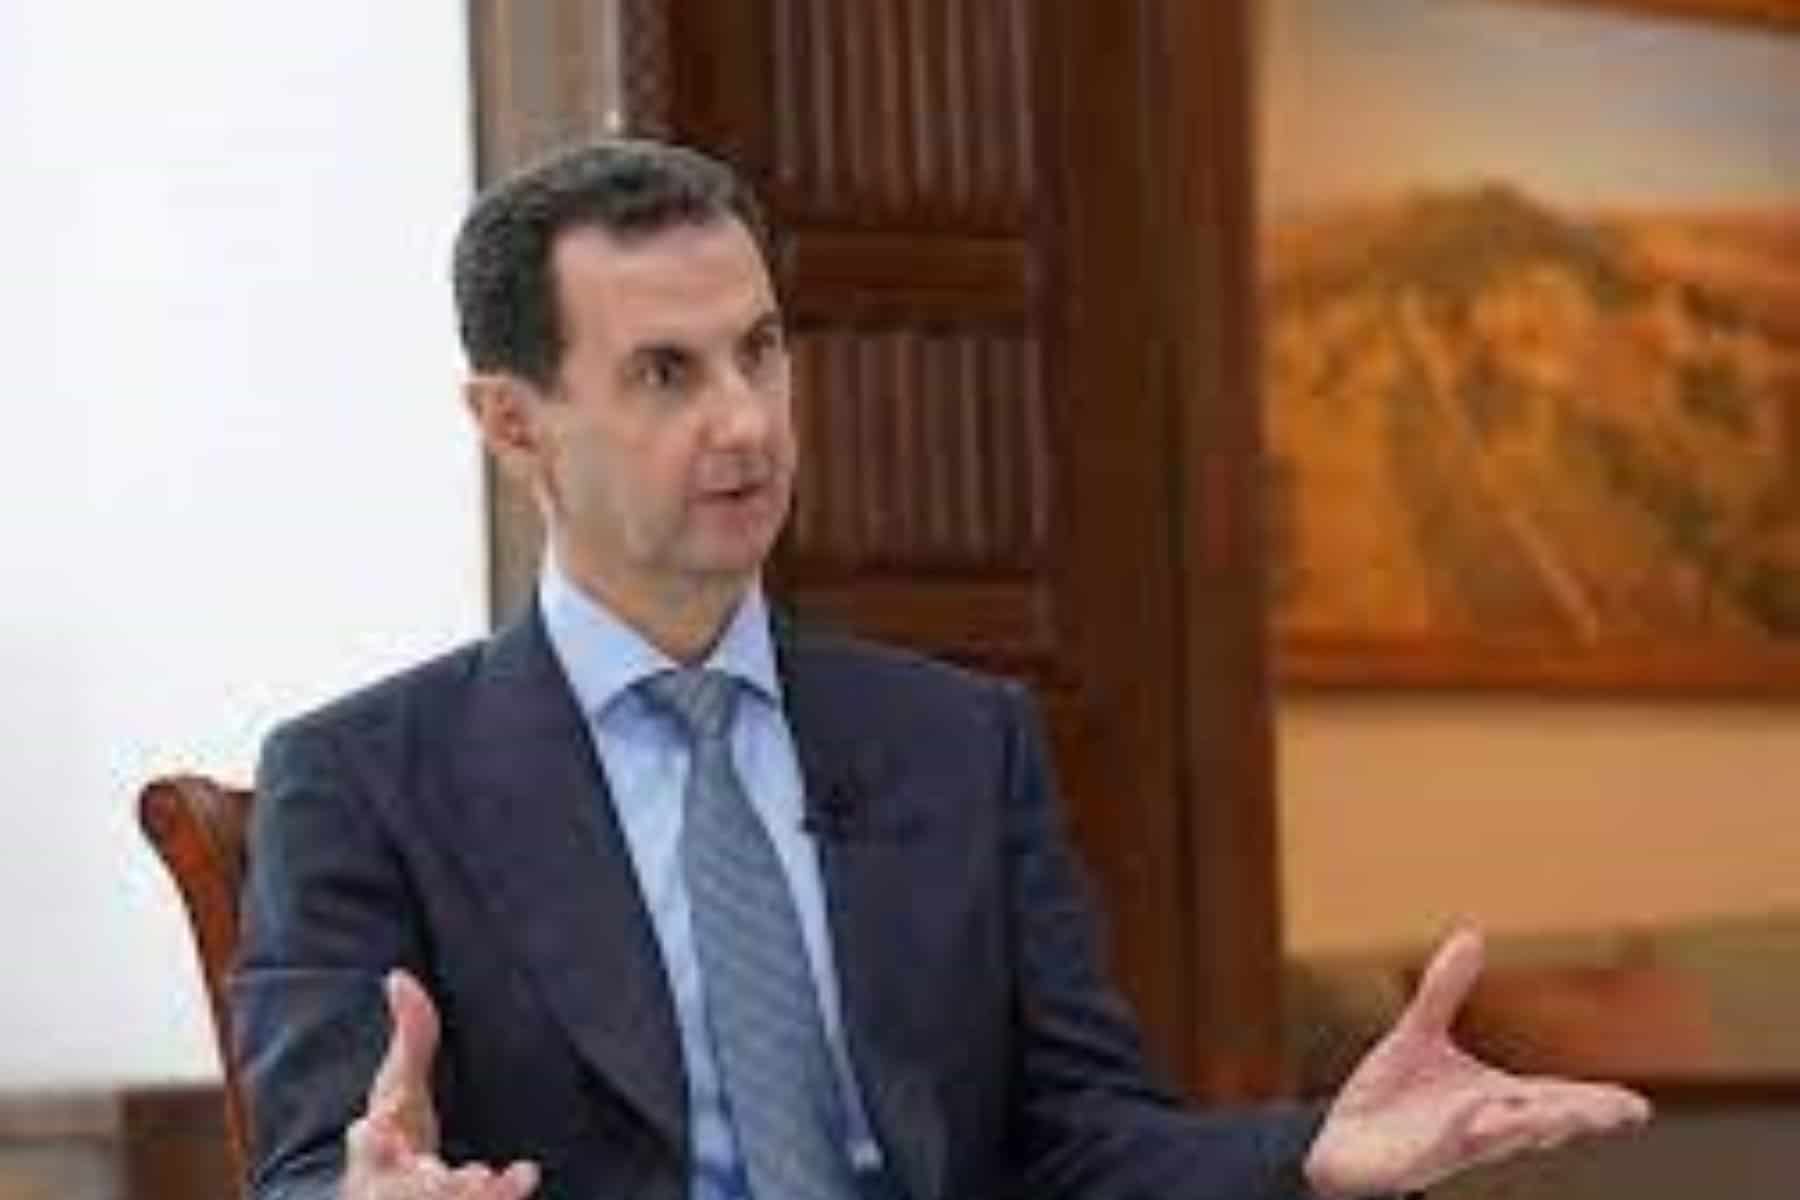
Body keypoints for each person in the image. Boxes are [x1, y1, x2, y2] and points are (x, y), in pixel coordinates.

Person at [232, 139, 1649, 1200]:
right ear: (511, 423)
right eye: (667, 374)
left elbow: (1083, 1140)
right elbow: (313, 1169)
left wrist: (1311, 1152)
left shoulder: (959, 742)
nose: (747, 424)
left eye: (761, 352)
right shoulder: (363, 781)